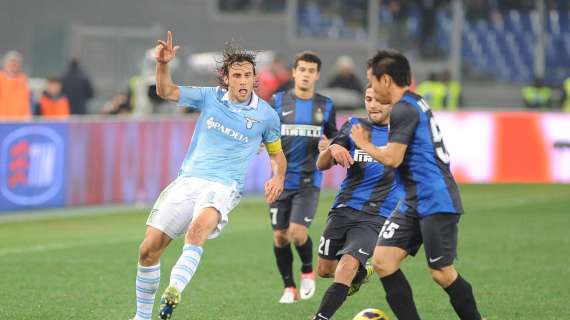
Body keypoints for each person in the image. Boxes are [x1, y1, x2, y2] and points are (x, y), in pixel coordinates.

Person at [130, 31, 287, 320]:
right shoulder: (209, 97)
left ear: (256, 79)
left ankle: (174, 290)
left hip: (223, 186)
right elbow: (166, 92)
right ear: (226, 78)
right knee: (148, 250)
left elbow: (277, 154)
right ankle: (141, 317)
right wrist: (162, 64)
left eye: (248, 75)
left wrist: (277, 177)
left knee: (197, 230)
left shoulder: (266, 116)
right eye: (236, 75)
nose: (243, 81)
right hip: (187, 181)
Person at [351, 50, 482, 320]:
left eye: (372, 81)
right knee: (383, 262)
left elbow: (393, 158)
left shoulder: (404, 109)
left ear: (385, 80)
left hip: (435, 199)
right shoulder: (414, 101)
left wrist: (364, 144)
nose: (372, 90)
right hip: (414, 200)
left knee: (441, 273)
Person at [312, 85, 403, 320]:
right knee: (325, 270)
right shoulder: (354, 126)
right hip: (343, 208)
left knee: (347, 266)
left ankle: (320, 317)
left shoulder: (404, 136)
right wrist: (332, 149)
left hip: (377, 215)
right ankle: (364, 272)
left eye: (379, 100)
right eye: (368, 99)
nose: (373, 105)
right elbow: (321, 166)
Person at [267, 51, 338, 304]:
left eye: (311, 71)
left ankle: (308, 270)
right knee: (279, 236)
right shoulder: (277, 101)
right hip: (280, 180)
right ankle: (289, 288)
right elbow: (266, 131)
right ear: (294, 72)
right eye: (302, 70)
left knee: (297, 232)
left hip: (309, 181)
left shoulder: (326, 105)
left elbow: (334, 138)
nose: (306, 75)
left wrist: (328, 145)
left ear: (317, 75)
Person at [0, 51, 31, 120]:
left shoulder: (23, 80)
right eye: (11, 62)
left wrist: (27, 118)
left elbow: (26, 102)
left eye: (15, 63)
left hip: (19, 121)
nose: (13, 65)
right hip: (2, 121)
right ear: (5, 64)